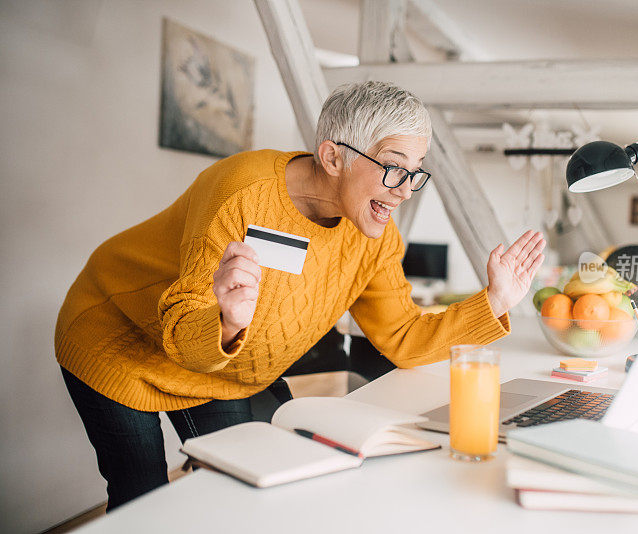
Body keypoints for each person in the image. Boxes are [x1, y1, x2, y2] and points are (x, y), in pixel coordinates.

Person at [55, 81, 546, 510]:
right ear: (334, 156)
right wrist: (226, 320)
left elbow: (402, 337)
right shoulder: (242, 193)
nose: (405, 191)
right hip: (120, 339)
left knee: (240, 490)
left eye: (416, 173)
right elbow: (185, 326)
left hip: (223, 374)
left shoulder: (374, 237)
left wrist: (495, 301)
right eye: (394, 168)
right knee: (142, 497)